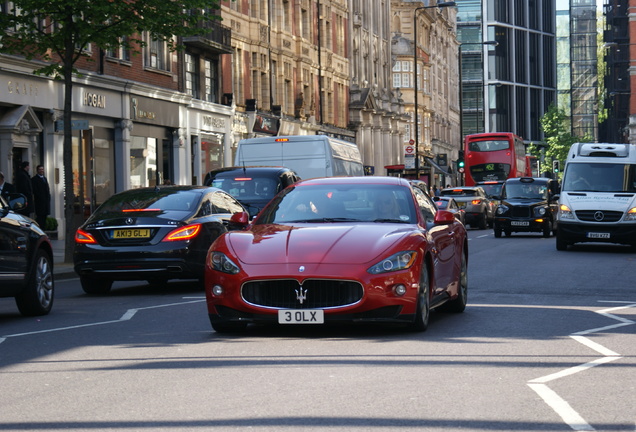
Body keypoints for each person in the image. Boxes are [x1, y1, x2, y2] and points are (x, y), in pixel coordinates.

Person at [31, 164, 51, 229]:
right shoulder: (34, 179)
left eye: (42, 169)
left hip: (45, 203)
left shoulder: (44, 178)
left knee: (44, 219)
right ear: (37, 171)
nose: (41, 171)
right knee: (40, 219)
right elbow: (35, 191)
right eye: (40, 169)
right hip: (39, 203)